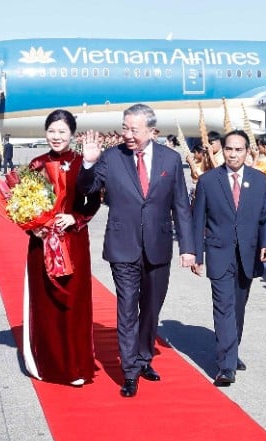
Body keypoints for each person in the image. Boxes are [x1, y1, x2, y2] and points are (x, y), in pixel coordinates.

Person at [78, 103, 195, 398]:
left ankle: (144, 358)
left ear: (152, 131)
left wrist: (189, 247)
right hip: (123, 246)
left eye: (134, 129)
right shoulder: (111, 157)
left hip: (158, 246)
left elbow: (181, 205)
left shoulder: (171, 159)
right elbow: (86, 189)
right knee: (127, 308)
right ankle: (129, 371)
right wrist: (89, 164)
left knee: (151, 309)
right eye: (124, 127)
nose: (127, 134)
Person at [21, 110, 101, 386]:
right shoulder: (36, 164)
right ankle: (46, 363)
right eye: (52, 131)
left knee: (72, 302)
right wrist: (34, 225)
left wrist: (75, 218)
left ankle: (74, 367)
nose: (56, 137)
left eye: (62, 132)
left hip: (73, 241)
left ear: (72, 135)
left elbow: (92, 202)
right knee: (45, 302)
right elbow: (21, 203)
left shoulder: (83, 163)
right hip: (41, 243)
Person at [191, 130, 266, 386]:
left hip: (248, 255)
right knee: (224, 306)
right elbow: (198, 221)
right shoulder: (208, 181)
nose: (234, 154)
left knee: (238, 306)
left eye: (239, 149)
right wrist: (197, 254)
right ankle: (226, 366)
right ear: (222, 150)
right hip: (219, 252)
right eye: (229, 149)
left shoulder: (259, 180)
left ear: (247, 151)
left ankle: (232, 349)